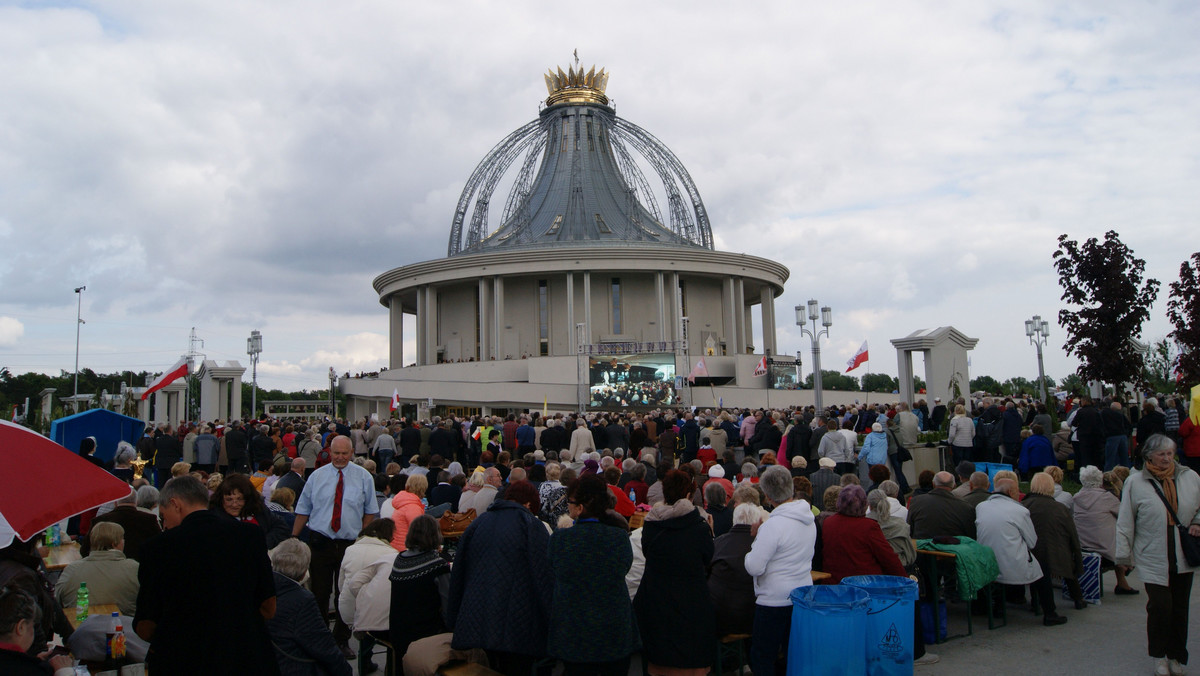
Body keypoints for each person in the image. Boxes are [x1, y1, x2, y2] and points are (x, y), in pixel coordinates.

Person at [134, 475, 279, 674]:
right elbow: (268, 606)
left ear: (175, 504)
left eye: (163, 515)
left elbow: (145, 625)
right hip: (244, 656)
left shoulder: (157, 548)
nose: (164, 524)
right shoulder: (249, 536)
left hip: (181, 660)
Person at [446, 482, 553, 674]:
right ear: (528, 504)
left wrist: (454, 617)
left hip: (477, 613)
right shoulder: (531, 525)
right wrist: (550, 620)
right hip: (518, 620)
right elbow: (543, 576)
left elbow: (459, 571)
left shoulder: (479, 522)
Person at [1116, 434, 1200, 675]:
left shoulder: (1190, 477)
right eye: (1161, 454)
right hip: (1152, 554)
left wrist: (1197, 521)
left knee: (1180, 608)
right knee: (1160, 607)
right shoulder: (1135, 482)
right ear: (1148, 456)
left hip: (1183, 552)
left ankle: (1177, 656)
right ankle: (1159, 655)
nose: (1166, 458)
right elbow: (1125, 521)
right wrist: (1124, 556)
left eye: (1170, 453)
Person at [292, 435, 380, 658]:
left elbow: (370, 510)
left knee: (346, 593)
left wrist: (361, 536)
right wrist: (292, 538)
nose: (340, 458)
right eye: (336, 453)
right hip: (320, 541)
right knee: (320, 593)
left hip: (349, 544)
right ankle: (322, 638)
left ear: (352, 453)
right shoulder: (317, 476)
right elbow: (303, 508)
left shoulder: (363, 477)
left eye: (344, 453)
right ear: (329, 452)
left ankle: (341, 639)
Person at [548, 475, 639, 675]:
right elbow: (623, 567)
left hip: (576, 629)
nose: (568, 506)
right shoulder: (619, 537)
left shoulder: (562, 540)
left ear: (580, 508)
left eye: (569, 502)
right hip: (613, 626)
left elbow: (555, 570)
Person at [635, 469, 715, 675]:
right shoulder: (698, 526)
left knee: (659, 660)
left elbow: (648, 552)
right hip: (691, 599)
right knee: (693, 660)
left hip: (657, 597)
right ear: (689, 495)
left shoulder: (651, 525)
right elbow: (707, 558)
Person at [744, 465, 816, 676]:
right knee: (792, 653)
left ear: (767, 496)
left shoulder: (773, 526)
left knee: (762, 656)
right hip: (801, 593)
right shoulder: (807, 518)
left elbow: (754, 566)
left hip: (774, 599)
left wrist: (756, 539)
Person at [976, 477, 1067, 626]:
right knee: (1042, 569)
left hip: (987, 564)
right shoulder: (1020, 510)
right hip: (1011, 567)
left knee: (1000, 553)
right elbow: (1032, 541)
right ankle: (1050, 613)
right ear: (1012, 492)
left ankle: (999, 607)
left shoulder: (981, 507)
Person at [266, 539, 352, 676]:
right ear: (304, 571)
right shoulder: (301, 600)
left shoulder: (260, 588)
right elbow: (324, 647)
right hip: (293, 666)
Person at [388, 515, 455, 672]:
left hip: (398, 633)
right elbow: (448, 607)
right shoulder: (436, 565)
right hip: (426, 635)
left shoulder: (400, 559)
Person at [820, 485, 907, 583]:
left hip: (834, 585)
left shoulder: (828, 523)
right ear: (864, 504)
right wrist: (905, 581)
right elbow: (888, 558)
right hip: (863, 587)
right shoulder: (869, 526)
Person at [1023, 473, 1086, 610]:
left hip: (1032, 554)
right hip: (1059, 553)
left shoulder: (1024, 506)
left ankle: (1036, 600)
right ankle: (1078, 598)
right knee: (1067, 559)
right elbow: (1073, 536)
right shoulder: (1060, 508)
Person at [1073, 465, 1137, 594]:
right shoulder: (1107, 498)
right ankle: (1123, 579)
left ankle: (1123, 583)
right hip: (1105, 549)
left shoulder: (1076, 498)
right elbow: (1125, 516)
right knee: (1121, 537)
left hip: (1082, 545)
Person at [55, 522, 139, 616]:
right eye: (122, 539)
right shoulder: (134, 568)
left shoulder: (71, 570)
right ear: (115, 543)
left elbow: (57, 600)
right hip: (123, 626)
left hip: (81, 626)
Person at [708, 503, 767, 637]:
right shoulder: (762, 546)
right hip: (753, 615)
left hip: (721, 617)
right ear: (757, 522)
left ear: (734, 520)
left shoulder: (719, 543)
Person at [0, 586, 75, 676]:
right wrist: (64, 671)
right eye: (32, 626)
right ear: (21, 627)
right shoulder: (29, 670)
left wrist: (32, 660)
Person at [211, 473, 291, 549]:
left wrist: (263, 543)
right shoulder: (214, 520)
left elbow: (281, 527)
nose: (234, 504)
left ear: (248, 498)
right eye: (229, 499)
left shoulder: (258, 510)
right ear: (221, 499)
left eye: (240, 499)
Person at [82, 490, 161, 561]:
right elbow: (159, 546)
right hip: (141, 569)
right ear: (136, 502)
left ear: (115, 502)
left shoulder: (100, 520)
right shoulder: (149, 519)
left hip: (106, 568)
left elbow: (85, 550)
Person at [907, 471, 977, 539]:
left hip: (922, 548)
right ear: (954, 485)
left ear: (933, 484)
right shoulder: (966, 507)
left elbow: (910, 530)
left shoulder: (916, 502)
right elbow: (971, 537)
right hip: (953, 549)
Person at [389, 474, 428, 552]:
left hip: (396, 546)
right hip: (406, 548)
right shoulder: (413, 507)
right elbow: (419, 532)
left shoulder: (404, 502)